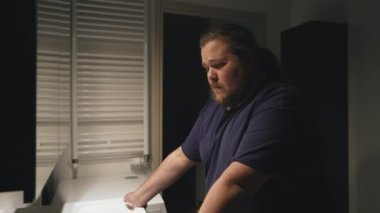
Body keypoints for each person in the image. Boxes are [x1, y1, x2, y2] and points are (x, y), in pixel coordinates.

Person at [124, 23, 331, 213]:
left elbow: (235, 184)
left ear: (248, 61)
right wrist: (138, 197)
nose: (210, 76)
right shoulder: (215, 106)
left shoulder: (279, 104)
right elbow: (181, 157)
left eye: (219, 65)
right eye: (206, 68)